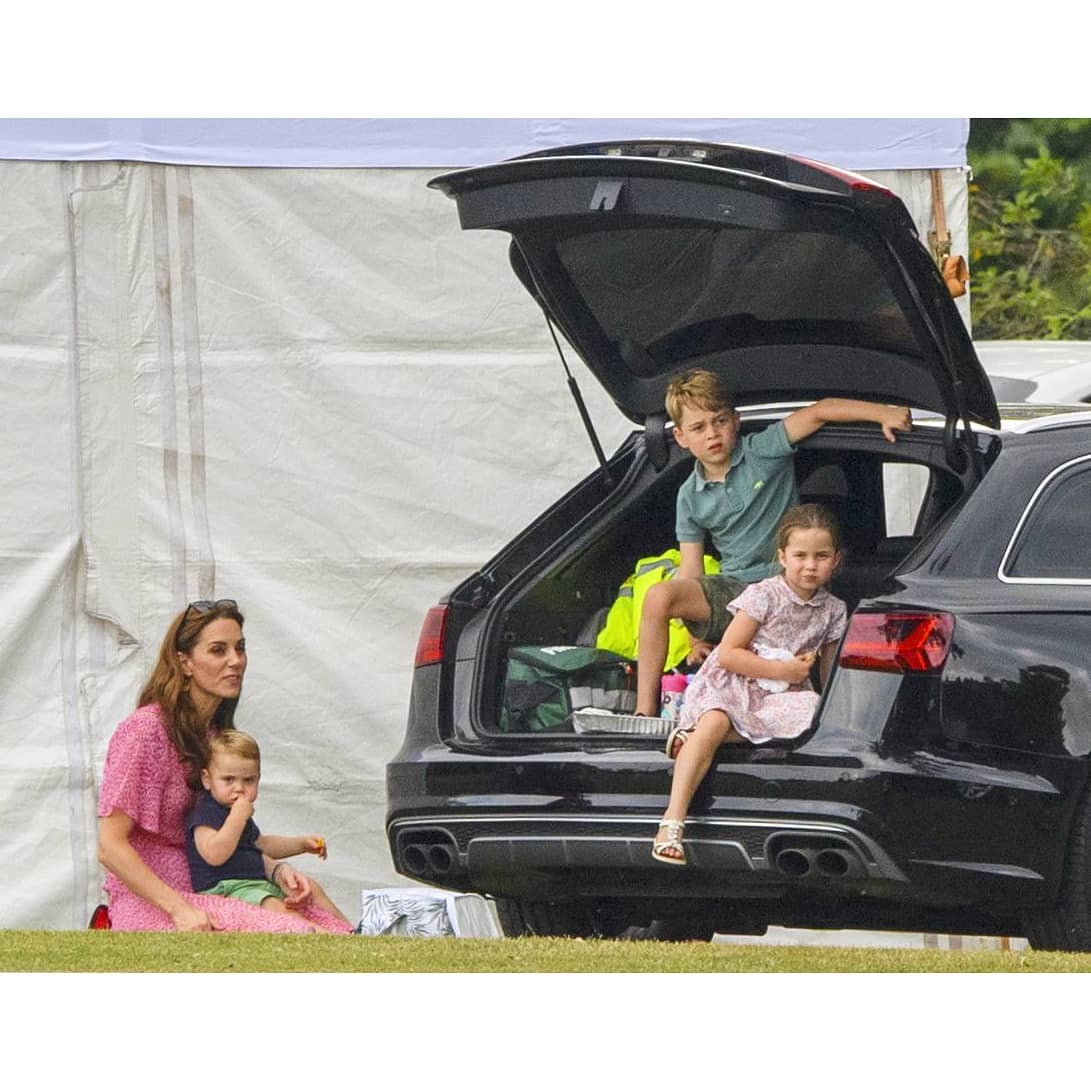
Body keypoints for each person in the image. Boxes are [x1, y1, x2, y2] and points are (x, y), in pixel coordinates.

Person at [633, 369, 910, 717]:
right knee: (658, 596)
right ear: (681, 436)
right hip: (734, 592)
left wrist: (883, 413)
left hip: (786, 584)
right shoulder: (689, 495)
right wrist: (696, 638)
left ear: (736, 421)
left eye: (720, 421)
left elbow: (819, 411)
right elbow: (691, 571)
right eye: (699, 427)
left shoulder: (762, 450)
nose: (712, 434)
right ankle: (644, 712)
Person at [97, 599, 354, 933]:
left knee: (314, 903)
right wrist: (179, 910)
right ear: (185, 662)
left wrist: (277, 871)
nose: (236, 661)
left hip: (214, 882)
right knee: (297, 931)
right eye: (219, 650)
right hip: (154, 898)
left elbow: (229, 837)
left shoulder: (215, 735)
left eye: (240, 648)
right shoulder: (144, 730)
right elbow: (109, 846)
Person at [652, 504, 848, 865]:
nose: (810, 565)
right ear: (782, 557)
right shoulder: (764, 594)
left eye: (821, 556)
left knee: (812, 715)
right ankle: (672, 821)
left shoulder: (833, 610)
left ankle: (692, 737)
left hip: (783, 694)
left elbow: (829, 671)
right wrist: (783, 671)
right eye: (800, 556)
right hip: (735, 681)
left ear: (835, 560)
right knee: (716, 720)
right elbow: (729, 654)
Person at [186, 729, 351, 930]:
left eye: (248, 780)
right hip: (225, 889)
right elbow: (214, 855)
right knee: (275, 907)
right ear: (207, 779)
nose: (239, 788)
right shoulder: (205, 813)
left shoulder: (239, 814)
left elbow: (263, 844)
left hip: (256, 882)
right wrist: (237, 818)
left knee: (311, 888)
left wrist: (301, 844)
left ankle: (349, 930)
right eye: (228, 780)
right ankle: (316, 933)